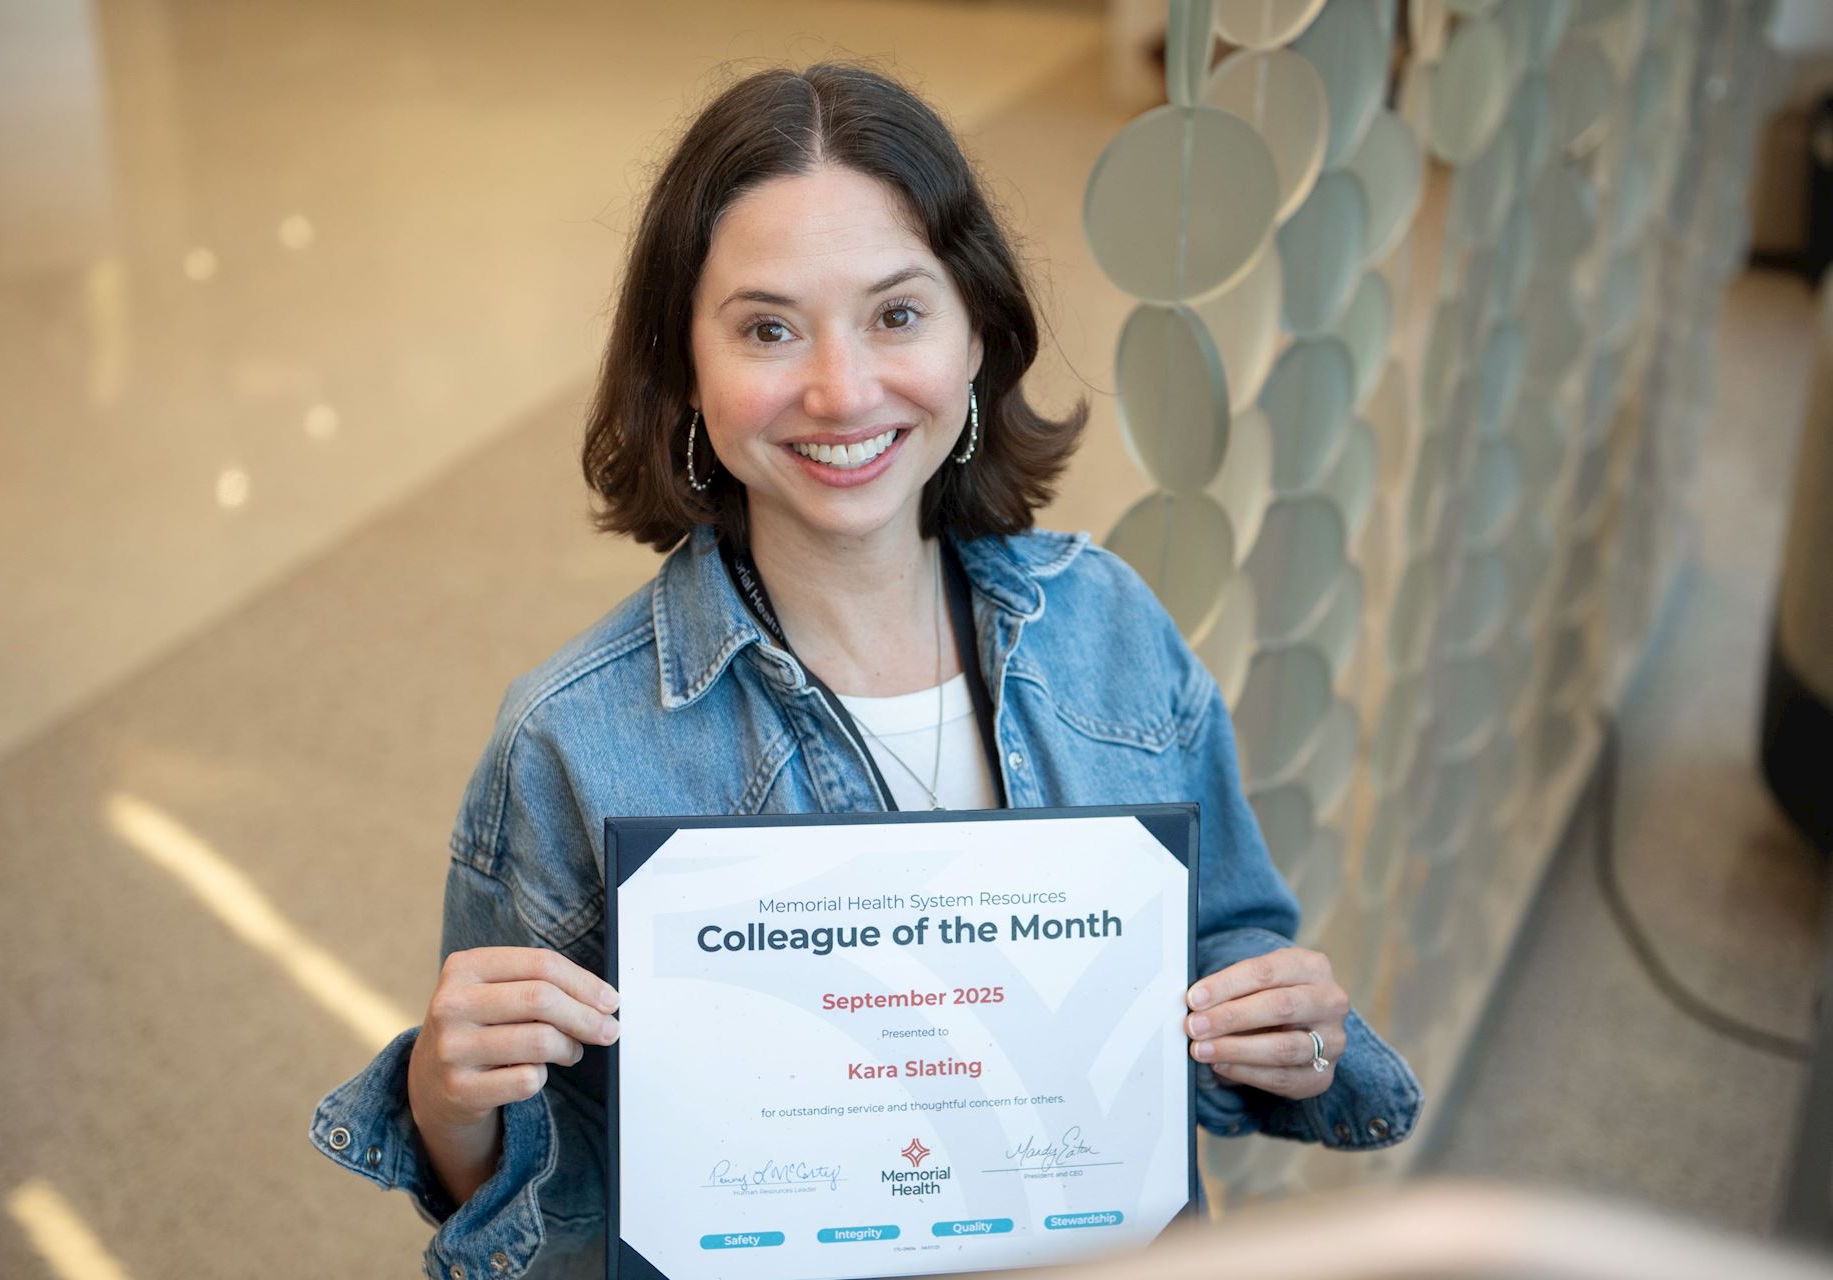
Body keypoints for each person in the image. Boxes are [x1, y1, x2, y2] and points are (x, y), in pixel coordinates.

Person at [310, 62, 1423, 1279]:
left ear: (978, 332)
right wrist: (447, 1100)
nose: (842, 391)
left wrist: (1282, 1030)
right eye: (769, 328)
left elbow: (1223, 949)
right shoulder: (573, 740)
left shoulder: (1104, 623)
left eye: (897, 314)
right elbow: (556, 1207)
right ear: (684, 369)